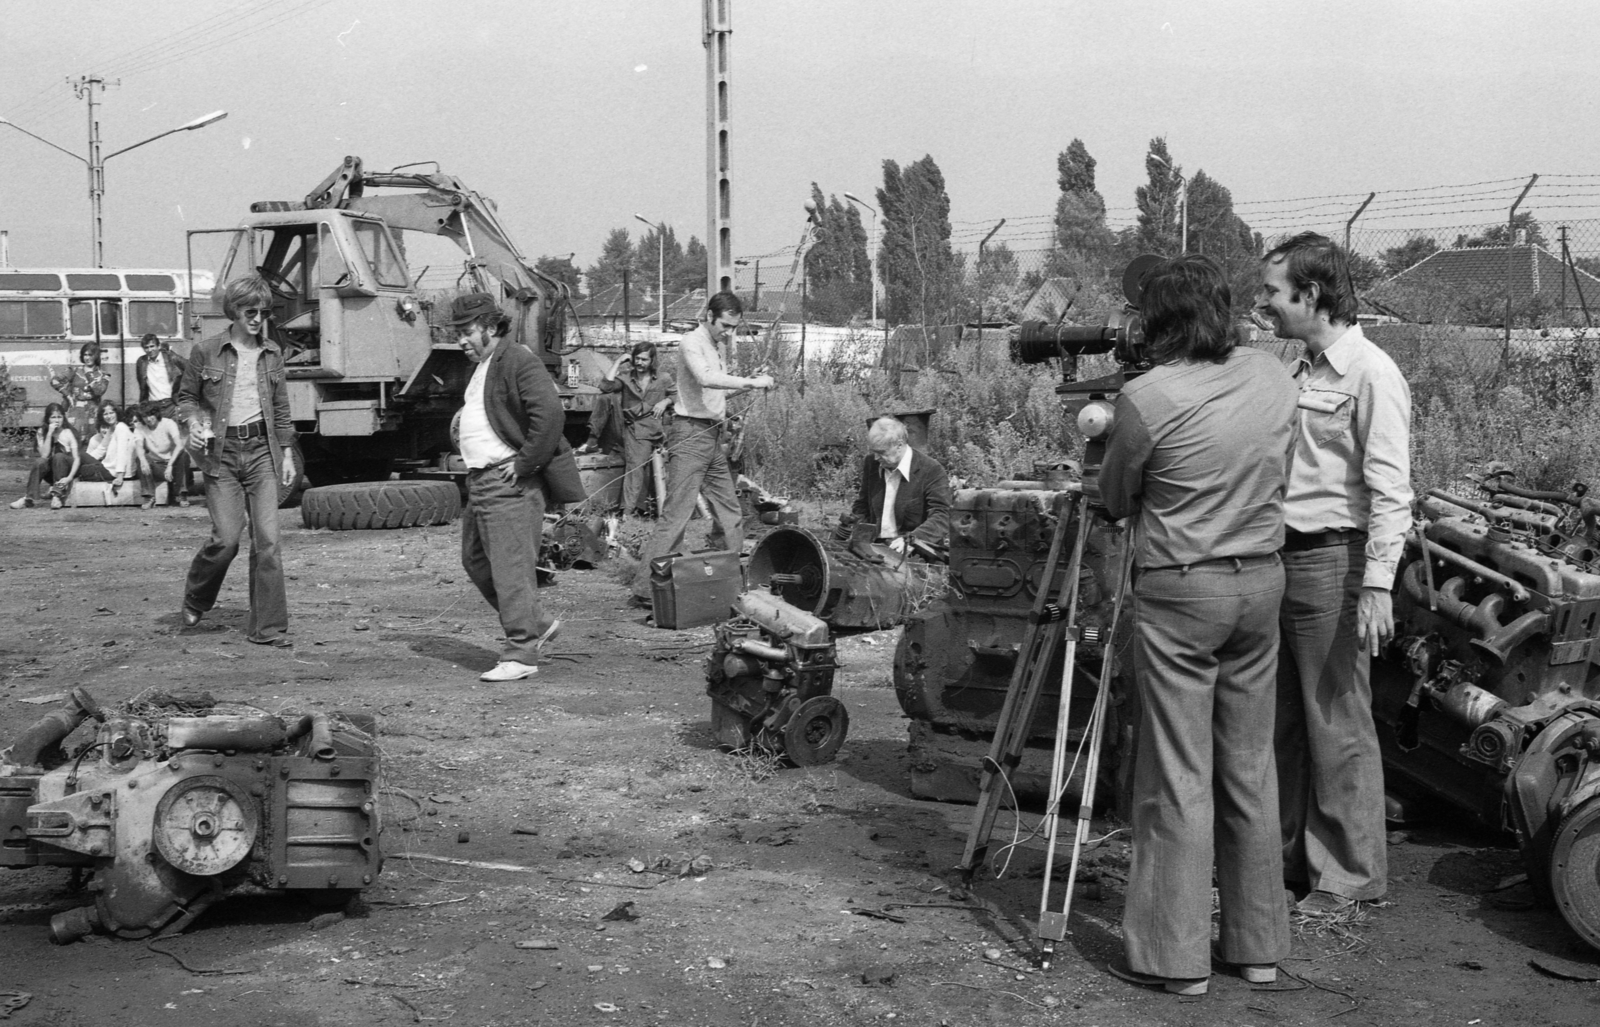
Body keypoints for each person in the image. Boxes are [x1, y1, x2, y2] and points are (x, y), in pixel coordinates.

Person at [1099, 254, 1299, 995]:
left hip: (1184, 592)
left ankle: (1174, 957)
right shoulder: (1276, 373)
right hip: (1263, 581)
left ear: (1158, 322)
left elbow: (1117, 496)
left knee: (1178, 773)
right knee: (1249, 765)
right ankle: (1258, 948)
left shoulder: (1148, 395)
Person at [1256, 232, 1413, 915]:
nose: (1262, 301)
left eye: (1271, 290)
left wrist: (1377, 582)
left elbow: (1391, 489)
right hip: (1283, 557)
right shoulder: (1303, 369)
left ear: (1310, 294)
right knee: (1283, 719)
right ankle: (1291, 861)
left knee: (1336, 720)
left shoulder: (1371, 374)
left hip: (1333, 561)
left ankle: (1350, 875)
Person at [176, 275, 299, 647]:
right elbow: (185, 398)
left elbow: (280, 409)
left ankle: (268, 628)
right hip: (222, 456)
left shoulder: (273, 353)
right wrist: (194, 423)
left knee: (269, 542)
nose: (258, 318)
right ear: (234, 311)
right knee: (226, 540)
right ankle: (197, 594)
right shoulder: (206, 351)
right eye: (251, 311)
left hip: (262, 452)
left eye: (264, 312)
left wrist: (288, 451)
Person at [629, 291, 773, 606]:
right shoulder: (690, 342)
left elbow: (714, 397)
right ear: (709, 315)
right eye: (725, 325)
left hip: (711, 438)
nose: (729, 333)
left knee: (730, 512)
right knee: (676, 516)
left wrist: (747, 382)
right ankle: (644, 590)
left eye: (734, 327)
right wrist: (750, 384)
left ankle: (725, 579)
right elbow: (707, 380)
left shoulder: (714, 345)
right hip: (689, 436)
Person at [450, 291, 565, 682]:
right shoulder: (484, 365)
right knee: (475, 560)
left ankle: (521, 654)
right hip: (481, 481)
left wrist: (526, 462)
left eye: (467, 332)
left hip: (507, 480)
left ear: (491, 327)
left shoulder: (517, 358)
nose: (461, 340)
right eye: (459, 333)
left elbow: (549, 413)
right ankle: (537, 623)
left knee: (510, 570)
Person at [847, 416, 952, 559]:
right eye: (874, 452)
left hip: (913, 553)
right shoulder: (871, 463)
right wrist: (858, 532)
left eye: (882, 453)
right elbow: (862, 504)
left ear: (899, 445)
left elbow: (942, 515)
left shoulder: (931, 470)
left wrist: (914, 540)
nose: (877, 458)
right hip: (874, 548)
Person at [598, 342, 675, 516]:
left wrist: (665, 401)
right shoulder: (626, 378)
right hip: (635, 429)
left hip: (659, 429)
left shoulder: (664, 378)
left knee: (663, 469)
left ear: (652, 360)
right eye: (636, 358)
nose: (639, 363)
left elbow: (676, 395)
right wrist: (618, 361)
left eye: (644, 359)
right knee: (635, 469)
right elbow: (605, 387)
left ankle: (656, 509)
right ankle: (627, 513)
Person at [10, 403, 82, 510]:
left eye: (59, 417)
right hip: (52, 472)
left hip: (66, 472)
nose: (57, 420)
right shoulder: (42, 432)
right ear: (48, 419)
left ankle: (57, 496)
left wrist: (70, 477)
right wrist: (49, 434)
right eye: (53, 417)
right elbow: (44, 455)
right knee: (39, 462)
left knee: (59, 456)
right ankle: (29, 498)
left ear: (63, 418)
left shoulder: (68, 432)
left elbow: (76, 458)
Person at [134, 403, 191, 508]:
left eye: (151, 415)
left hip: (172, 464)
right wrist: (142, 460)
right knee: (141, 458)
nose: (148, 419)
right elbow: (139, 445)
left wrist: (170, 465)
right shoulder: (140, 427)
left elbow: (179, 445)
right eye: (144, 416)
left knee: (183, 455)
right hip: (157, 466)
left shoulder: (168, 423)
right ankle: (149, 497)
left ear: (156, 414)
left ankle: (181, 495)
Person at [83, 400, 141, 500]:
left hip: (113, 473)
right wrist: (85, 459)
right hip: (108, 469)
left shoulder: (121, 428)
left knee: (80, 466)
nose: (109, 416)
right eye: (106, 414)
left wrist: (119, 476)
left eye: (111, 413)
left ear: (117, 413)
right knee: (79, 459)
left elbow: (121, 453)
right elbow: (100, 450)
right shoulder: (112, 428)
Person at [50, 344, 111, 437]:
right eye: (85, 355)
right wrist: (67, 394)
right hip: (75, 413)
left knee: (93, 440)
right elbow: (54, 381)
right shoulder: (74, 371)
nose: (87, 358)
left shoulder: (104, 375)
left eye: (90, 355)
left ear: (96, 356)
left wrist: (88, 374)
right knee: (74, 439)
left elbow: (99, 391)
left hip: (93, 413)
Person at [135, 333, 188, 418]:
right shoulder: (141, 362)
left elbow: (189, 368)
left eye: (152, 346)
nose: (150, 350)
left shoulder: (170, 357)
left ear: (158, 346)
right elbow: (142, 386)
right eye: (146, 347)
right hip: (153, 405)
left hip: (171, 404)